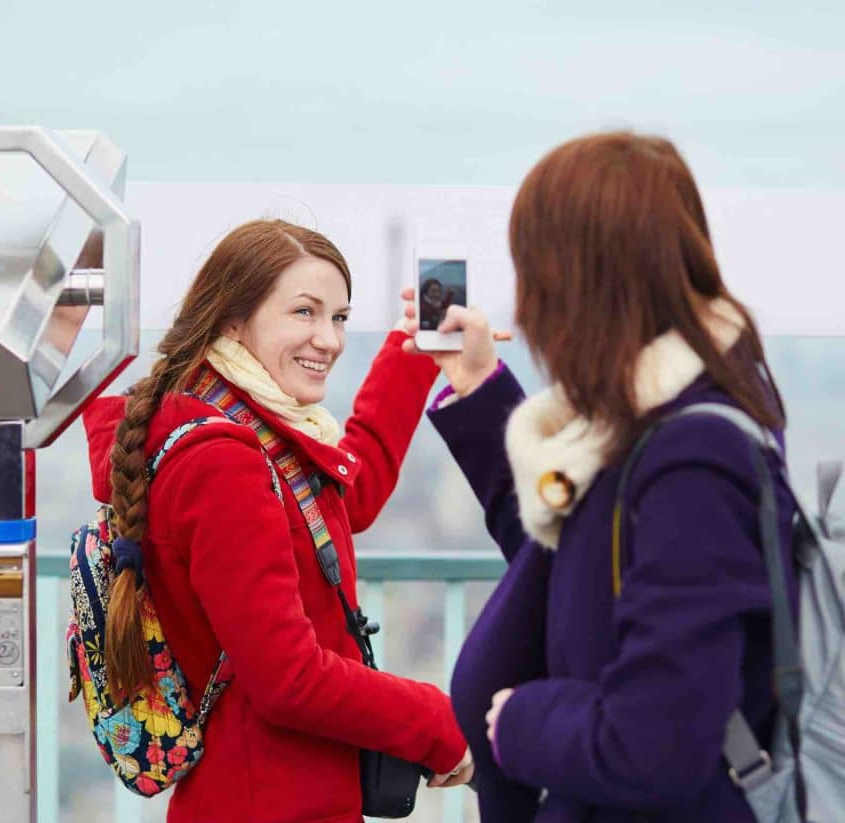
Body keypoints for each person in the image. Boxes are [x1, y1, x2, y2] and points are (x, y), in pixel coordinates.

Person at [402, 132, 797, 822]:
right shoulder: (643, 430)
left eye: (534, 272)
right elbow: (560, 560)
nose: (525, 307)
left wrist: (521, 720)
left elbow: (658, 741)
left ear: (582, 281)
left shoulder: (694, 460)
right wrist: (475, 386)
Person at [82, 219, 472, 823]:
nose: (330, 339)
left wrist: (411, 352)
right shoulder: (225, 461)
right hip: (270, 801)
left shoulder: (243, 428)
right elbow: (287, 678)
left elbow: (345, 497)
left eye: (339, 317)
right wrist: (441, 723)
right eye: (304, 312)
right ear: (233, 321)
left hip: (268, 795)